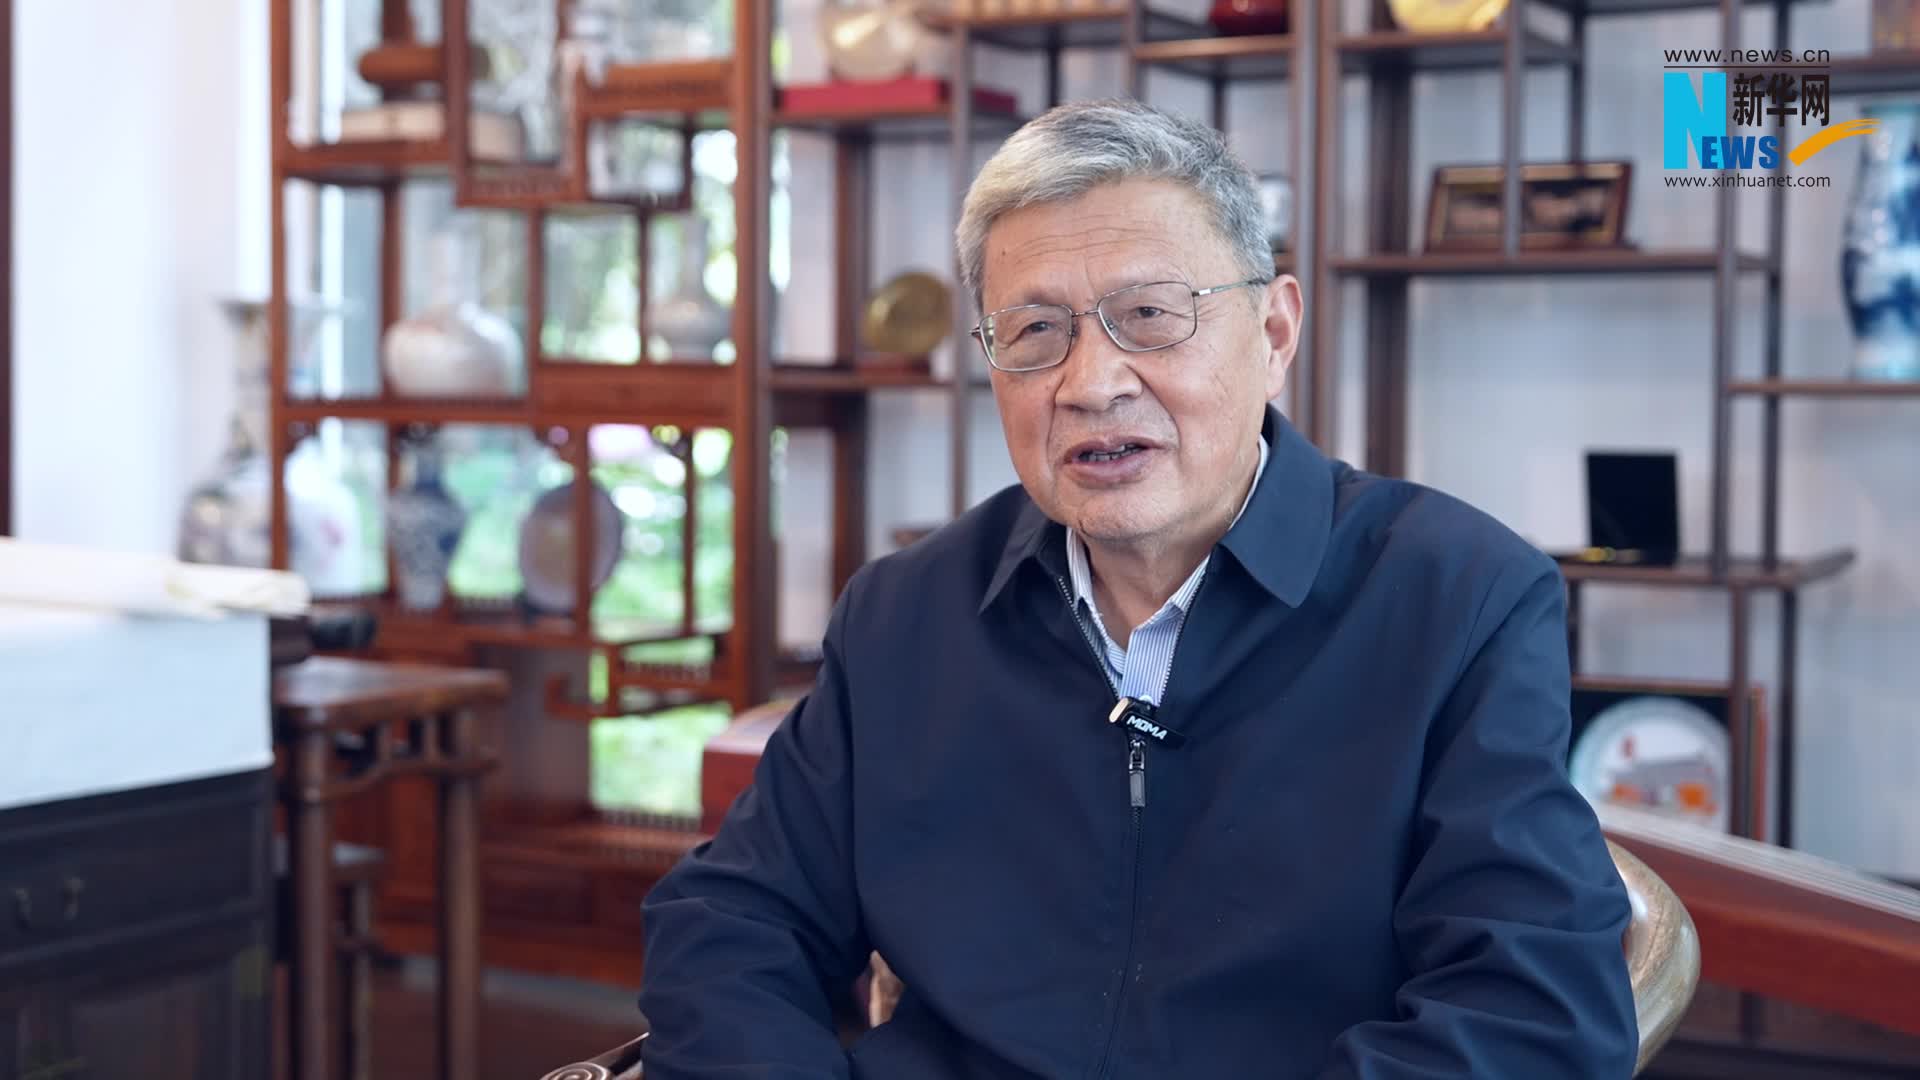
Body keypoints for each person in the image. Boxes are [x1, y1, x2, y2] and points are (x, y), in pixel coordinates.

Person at [636, 98, 1639, 1078]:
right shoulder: (906, 614)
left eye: (1150, 317)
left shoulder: (1459, 601)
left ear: (1274, 333)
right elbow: (734, 919)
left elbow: (1529, 1012)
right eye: (1035, 331)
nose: (1090, 383)